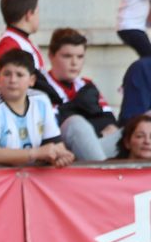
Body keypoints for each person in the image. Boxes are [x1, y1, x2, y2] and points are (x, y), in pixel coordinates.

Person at [0, 49, 75, 169]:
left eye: (19, 75)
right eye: (7, 74)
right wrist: (35, 153)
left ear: (32, 80)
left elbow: (56, 145)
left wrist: (61, 156)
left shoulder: (41, 101)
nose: (12, 80)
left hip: (33, 178)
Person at [49, 28, 121, 162]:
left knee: (137, 130)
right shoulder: (40, 86)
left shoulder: (87, 84)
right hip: (62, 152)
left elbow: (110, 122)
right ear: (51, 56)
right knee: (76, 123)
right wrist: (98, 131)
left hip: (93, 149)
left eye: (80, 57)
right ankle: (105, 178)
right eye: (67, 56)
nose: (74, 63)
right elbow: (53, 129)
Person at [0, 0, 63, 101]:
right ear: (29, 15)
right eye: (37, 12)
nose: (38, 18)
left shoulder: (23, 40)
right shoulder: (9, 42)